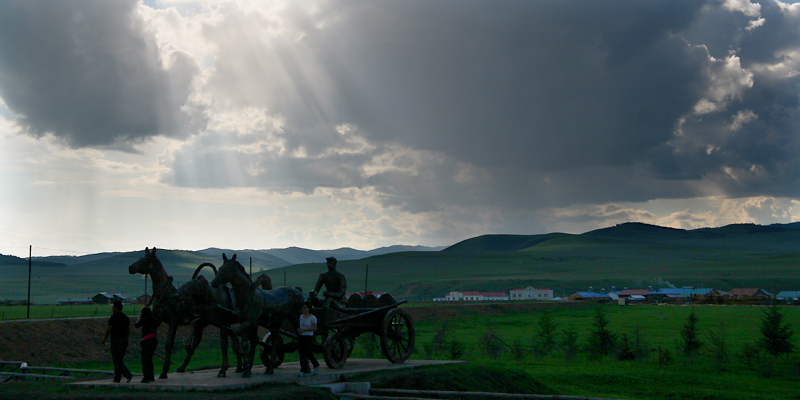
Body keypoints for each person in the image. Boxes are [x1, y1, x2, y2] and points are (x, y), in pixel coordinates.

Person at [101, 301, 133, 383]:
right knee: (119, 359)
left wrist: (104, 339)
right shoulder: (125, 317)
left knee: (117, 360)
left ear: (116, 308)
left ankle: (127, 375)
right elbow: (128, 330)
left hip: (116, 341)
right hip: (124, 341)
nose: (112, 309)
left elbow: (109, 329)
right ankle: (117, 377)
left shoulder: (113, 317)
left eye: (113, 307)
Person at [296, 301, 320, 377]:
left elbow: (315, 328)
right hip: (302, 336)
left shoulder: (312, 318)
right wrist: (300, 330)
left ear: (309, 308)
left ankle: (316, 365)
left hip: (308, 337)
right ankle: (303, 370)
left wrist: (305, 329)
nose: (303, 309)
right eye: (303, 308)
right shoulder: (301, 317)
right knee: (302, 353)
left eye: (305, 308)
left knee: (308, 352)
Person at [135, 306, 158, 383]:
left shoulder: (144, 320)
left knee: (144, 359)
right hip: (153, 341)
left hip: (146, 341)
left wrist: (138, 318)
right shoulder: (154, 320)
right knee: (150, 359)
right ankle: (151, 376)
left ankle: (146, 377)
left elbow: (136, 325)